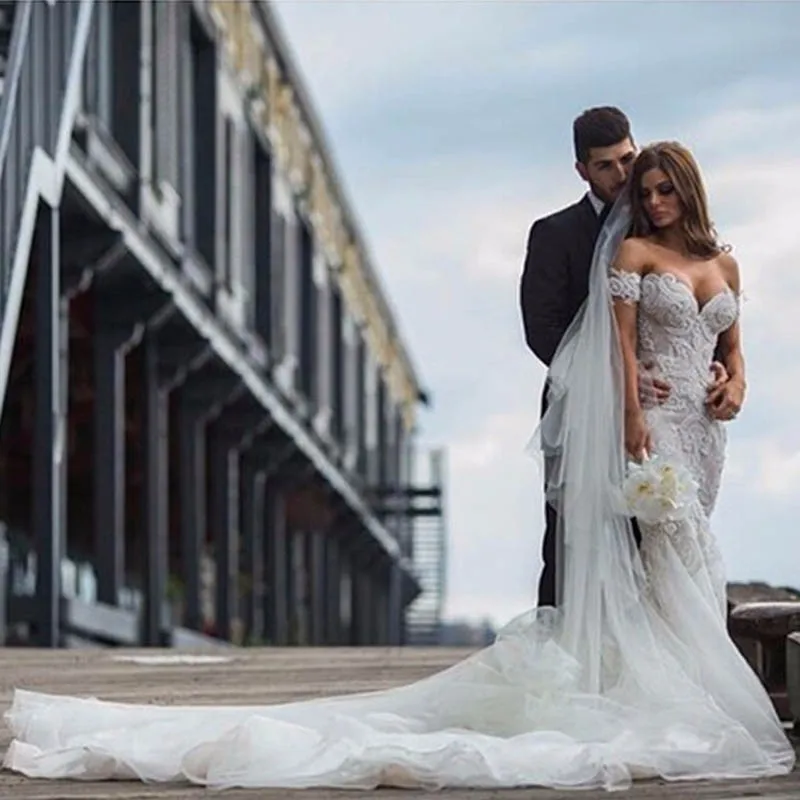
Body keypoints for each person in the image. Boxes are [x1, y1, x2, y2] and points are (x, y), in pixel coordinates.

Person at [2, 143, 794, 791]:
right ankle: (676, 695)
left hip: (704, 428)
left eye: (660, 189)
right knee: (671, 555)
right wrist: (627, 417)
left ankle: (678, 684)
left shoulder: (725, 261)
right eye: (641, 187)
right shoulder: (629, 251)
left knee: (695, 556)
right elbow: (615, 348)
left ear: (686, 189)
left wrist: (734, 384)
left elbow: (733, 349)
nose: (649, 201)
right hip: (652, 425)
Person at [520, 107, 728, 607]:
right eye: (605, 166)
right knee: (570, 539)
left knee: (654, 537)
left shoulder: (661, 222)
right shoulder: (554, 233)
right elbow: (541, 331)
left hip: (668, 417)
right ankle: (560, 660)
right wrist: (617, 378)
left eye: (627, 159)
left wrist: (716, 365)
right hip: (581, 409)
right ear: (582, 171)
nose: (622, 175)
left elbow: (697, 312)